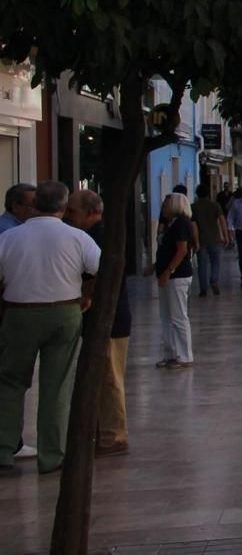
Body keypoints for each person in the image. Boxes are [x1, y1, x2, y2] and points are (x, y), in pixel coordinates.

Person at [0, 181, 100, 474]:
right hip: (65, 311)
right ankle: (51, 456)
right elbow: (101, 267)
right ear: (63, 206)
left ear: (34, 205)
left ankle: (4, 450)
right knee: (57, 387)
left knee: (10, 383)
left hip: (19, 313)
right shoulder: (77, 237)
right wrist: (87, 294)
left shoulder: (10, 237)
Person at [64, 190, 130, 456]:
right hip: (107, 316)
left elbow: (104, 272)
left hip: (110, 317)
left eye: (73, 211)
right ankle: (103, 430)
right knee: (103, 376)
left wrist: (85, 296)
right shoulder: (94, 234)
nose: (68, 217)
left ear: (91, 212)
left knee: (110, 377)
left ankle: (114, 435)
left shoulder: (98, 236)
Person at [0, 183, 39, 462]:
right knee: (12, 379)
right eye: (31, 205)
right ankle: (10, 443)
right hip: (10, 312)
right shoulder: (9, 233)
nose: (36, 210)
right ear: (16, 206)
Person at [147, 192, 195, 369]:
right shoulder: (171, 224)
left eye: (166, 203)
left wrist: (169, 270)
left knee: (178, 316)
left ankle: (184, 355)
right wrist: (155, 267)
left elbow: (181, 250)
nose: (163, 207)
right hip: (167, 275)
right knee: (167, 316)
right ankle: (171, 353)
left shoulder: (181, 224)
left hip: (178, 276)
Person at [190, 185, 229, 297]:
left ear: (197, 194)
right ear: (208, 194)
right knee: (216, 262)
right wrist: (226, 237)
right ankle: (214, 280)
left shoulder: (193, 207)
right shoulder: (215, 205)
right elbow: (222, 221)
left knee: (202, 265)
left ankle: (203, 289)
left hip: (201, 240)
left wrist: (196, 242)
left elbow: (194, 226)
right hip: (215, 238)